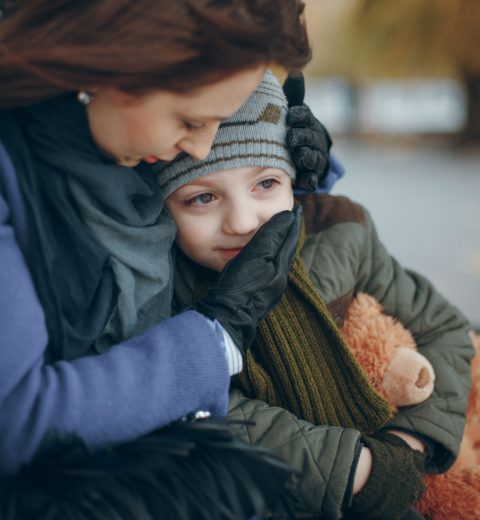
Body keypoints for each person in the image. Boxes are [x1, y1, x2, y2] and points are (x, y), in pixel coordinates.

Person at [0, 0, 340, 490]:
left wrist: (302, 163)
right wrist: (217, 334)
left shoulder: (111, 130)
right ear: (115, 67)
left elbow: (225, 174)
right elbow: (19, 420)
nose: (202, 148)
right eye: (189, 121)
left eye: (218, 123)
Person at [162, 70, 474, 519]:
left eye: (266, 184)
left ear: (295, 179)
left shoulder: (341, 233)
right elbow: (201, 404)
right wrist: (354, 468)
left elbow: (444, 328)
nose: (244, 221)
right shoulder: (169, 287)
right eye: (203, 199)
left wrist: (410, 442)